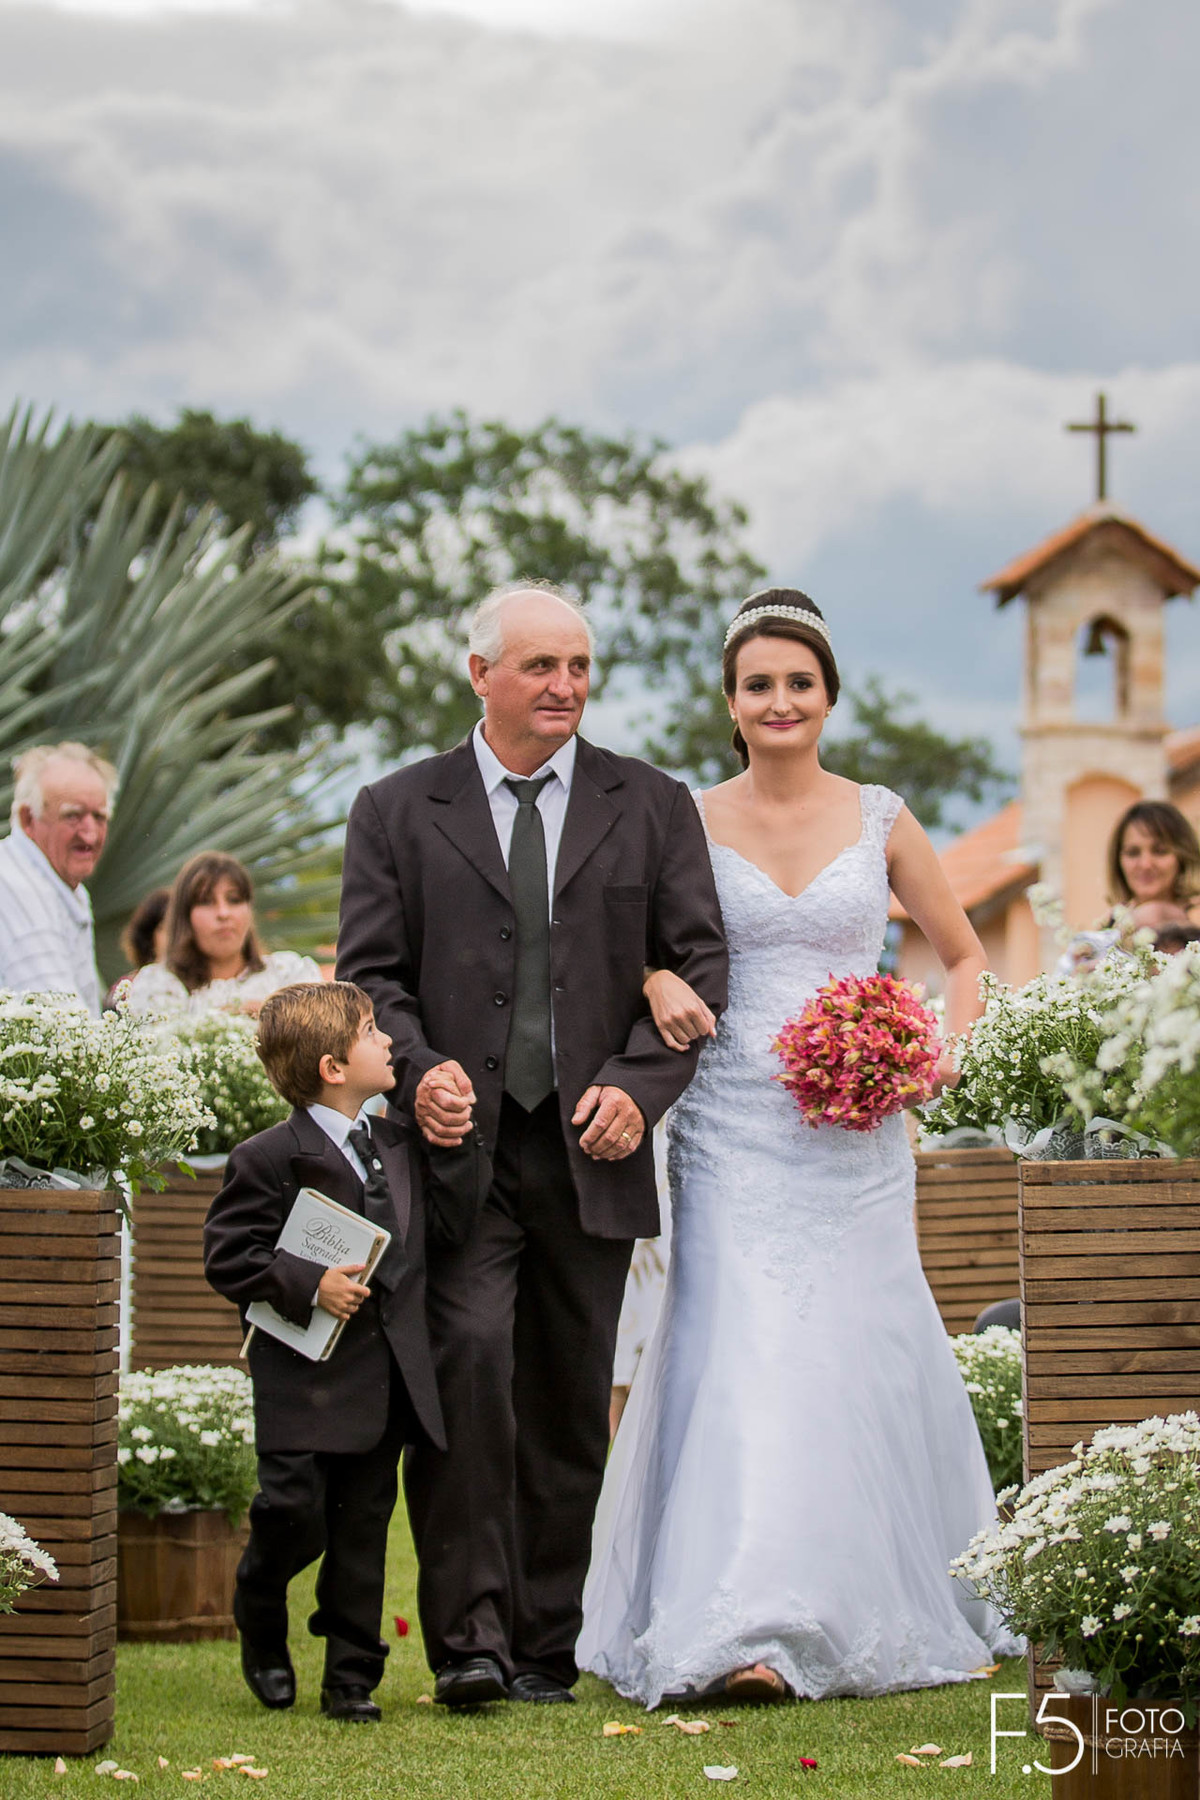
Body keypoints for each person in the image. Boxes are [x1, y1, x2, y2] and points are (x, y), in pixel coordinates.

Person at [579, 588, 1019, 1707]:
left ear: (829, 696)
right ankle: (747, 1623)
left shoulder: (882, 817)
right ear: (731, 701)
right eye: (759, 684)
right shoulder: (683, 814)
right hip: (730, 1123)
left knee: (848, 1354)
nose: (781, 701)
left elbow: (962, 956)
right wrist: (655, 976)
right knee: (743, 1347)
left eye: (800, 683)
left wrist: (933, 1051)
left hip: (860, 1131)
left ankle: (857, 1599)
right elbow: (618, 946)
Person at [336, 582, 728, 1709]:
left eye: (579, 667)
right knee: (466, 1370)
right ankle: (470, 1641)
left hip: (592, 1151)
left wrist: (639, 1090)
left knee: (567, 1393)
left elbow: (697, 972)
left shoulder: (651, 805)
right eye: (541, 667)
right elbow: (372, 976)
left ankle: (548, 1645)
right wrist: (419, 1072)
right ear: (480, 676)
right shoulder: (397, 808)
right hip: (457, 1163)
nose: (565, 687)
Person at [202, 982, 454, 1723]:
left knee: (362, 1529)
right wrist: (310, 1283)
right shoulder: (269, 1156)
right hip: (303, 1380)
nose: (389, 1043)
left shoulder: (394, 1144)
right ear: (332, 1066)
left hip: (384, 1382)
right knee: (294, 1510)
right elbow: (228, 1256)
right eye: (374, 1032)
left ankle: (351, 1677)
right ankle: (260, 1591)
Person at [124, 851, 320, 1015]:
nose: (223, 913)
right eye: (206, 901)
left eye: (234, 899)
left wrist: (263, 1011)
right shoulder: (158, 985)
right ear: (184, 916)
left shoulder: (288, 974)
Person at [0, 742, 116, 1015]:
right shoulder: (17, 887)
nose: (90, 835)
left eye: (99, 817)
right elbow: (60, 1026)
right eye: (73, 816)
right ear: (28, 818)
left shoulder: (54, 882)